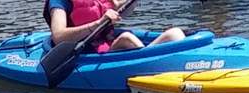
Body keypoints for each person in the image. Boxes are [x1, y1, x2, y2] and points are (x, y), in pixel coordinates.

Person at [46, 0, 185, 54]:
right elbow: (58, 37)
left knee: (174, 34)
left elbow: (120, 7)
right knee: (126, 39)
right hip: (84, 54)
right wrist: (98, 23)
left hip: (108, 44)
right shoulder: (59, 2)